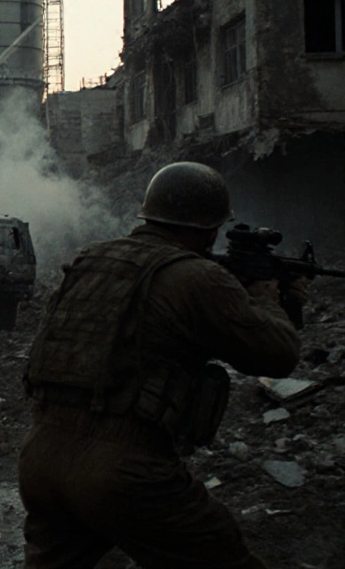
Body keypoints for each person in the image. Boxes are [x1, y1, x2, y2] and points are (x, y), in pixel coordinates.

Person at [19, 161, 305, 569]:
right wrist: (266, 298)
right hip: (124, 468)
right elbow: (279, 355)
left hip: (41, 458)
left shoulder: (91, 260)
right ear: (209, 229)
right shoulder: (198, 277)